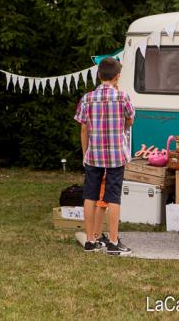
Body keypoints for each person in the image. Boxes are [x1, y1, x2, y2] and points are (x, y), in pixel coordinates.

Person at [74, 57, 134, 256]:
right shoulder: (122, 97)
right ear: (117, 77)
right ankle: (113, 242)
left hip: (94, 155)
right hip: (116, 154)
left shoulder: (87, 98)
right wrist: (122, 128)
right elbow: (130, 120)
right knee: (113, 197)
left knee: (90, 195)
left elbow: (83, 128)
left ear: (99, 75)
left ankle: (91, 240)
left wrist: (85, 153)